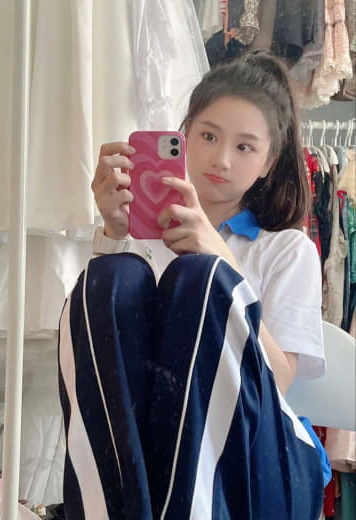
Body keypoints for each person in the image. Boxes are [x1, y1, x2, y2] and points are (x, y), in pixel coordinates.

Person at [58, 51, 326, 519]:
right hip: (151, 458)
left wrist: (219, 259)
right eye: (208, 136)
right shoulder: (144, 240)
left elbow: (277, 381)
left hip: (261, 462)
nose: (222, 159)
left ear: (268, 162)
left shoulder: (287, 249)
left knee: (199, 279)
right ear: (183, 137)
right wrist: (114, 234)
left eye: (245, 147)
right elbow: (106, 362)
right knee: (111, 277)